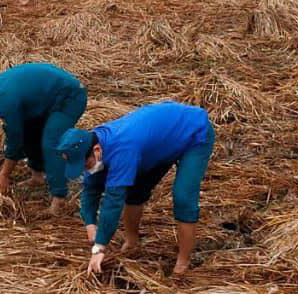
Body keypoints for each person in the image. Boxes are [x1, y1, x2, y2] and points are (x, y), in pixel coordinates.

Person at [58, 101, 215, 277]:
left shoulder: (122, 149)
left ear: (96, 150)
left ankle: (183, 261)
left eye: (85, 164)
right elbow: (90, 191)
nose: (85, 169)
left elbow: (113, 201)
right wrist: (90, 224)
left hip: (193, 132)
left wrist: (99, 247)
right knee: (135, 191)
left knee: (183, 197)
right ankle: (132, 242)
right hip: (158, 143)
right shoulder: (91, 150)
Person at [0, 63, 88, 214]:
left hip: (70, 97)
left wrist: (4, 175)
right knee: (29, 131)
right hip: (47, 98)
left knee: (51, 142)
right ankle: (37, 176)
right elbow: (18, 134)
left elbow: (14, 141)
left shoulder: (6, 102)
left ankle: (59, 199)